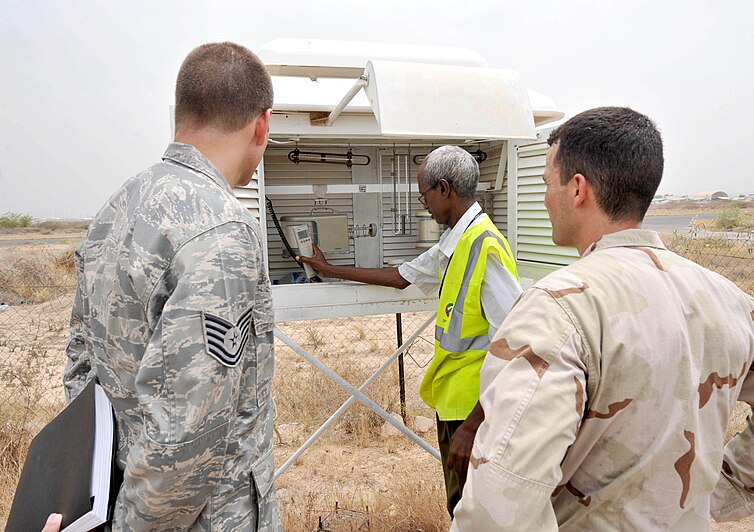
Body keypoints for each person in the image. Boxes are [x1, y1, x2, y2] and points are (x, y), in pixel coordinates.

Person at [452, 107, 754, 530]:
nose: (545, 198)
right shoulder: (728, 299)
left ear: (577, 189)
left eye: (547, 183)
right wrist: (701, 496)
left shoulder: (558, 308)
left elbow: (501, 504)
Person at [63, 42, 282, 530]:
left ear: (182, 115)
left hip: (119, 494)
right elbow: (189, 435)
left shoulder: (114, 211)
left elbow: (82, 373)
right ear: (262, 125)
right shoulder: (223, 229)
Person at [298, 145, 522, 517]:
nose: (424, 205)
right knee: (461, 506)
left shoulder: (484, 245)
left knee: (475, 511)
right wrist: (330, 269)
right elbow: (401, 276)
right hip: (455, 403)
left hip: (475, 410)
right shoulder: (456, 242)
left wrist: (474, 423)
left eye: (425, 195)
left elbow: (517, 342)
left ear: (445, 189)